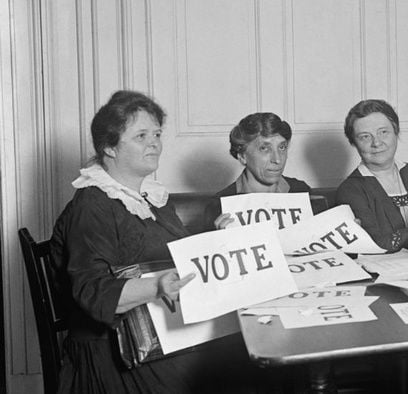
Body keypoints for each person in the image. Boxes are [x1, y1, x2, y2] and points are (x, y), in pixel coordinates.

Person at [50, 90, 265, 393]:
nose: (154, 143)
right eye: (141, 136)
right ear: (110, 147)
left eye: (157, 133)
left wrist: (214, 240)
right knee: (238, 372)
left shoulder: (152, 198)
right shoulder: (93, 205)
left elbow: (170, 255)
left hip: (162, 332)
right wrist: (156, 286)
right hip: (114, 351)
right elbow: (92, 292)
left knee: (251, 357)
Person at [336, 99, 408, 252]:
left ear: (396, 133)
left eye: (383, 132)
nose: (376, 143)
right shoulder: (349, 191)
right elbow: (370, 244)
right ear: (354, 143)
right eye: (365, 137)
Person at [204, 112, 311, 230]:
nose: (277, 159)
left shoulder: (301, 191)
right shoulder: (220, 205)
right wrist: (219, 239)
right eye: (264, 148)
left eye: (282, 147)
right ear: (242, 156)